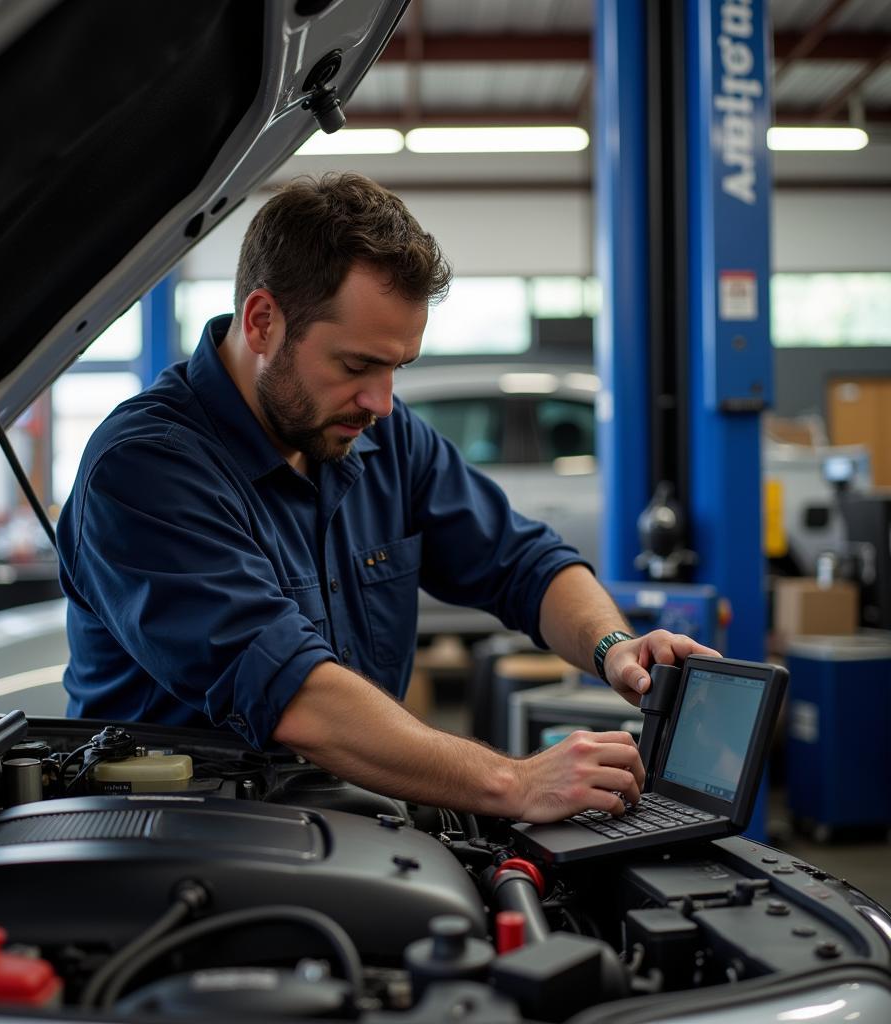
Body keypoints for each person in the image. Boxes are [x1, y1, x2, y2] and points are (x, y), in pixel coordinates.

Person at [57, 172, 719, 823]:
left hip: (343, 815)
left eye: (397, 368)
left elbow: (524, 562)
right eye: (355, 366)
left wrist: (612, 647)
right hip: (177, 838)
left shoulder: (385, 439)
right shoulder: (144, 470)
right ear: (263, 322)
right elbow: (292, 693)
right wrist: (513, 782)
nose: (381, 402)